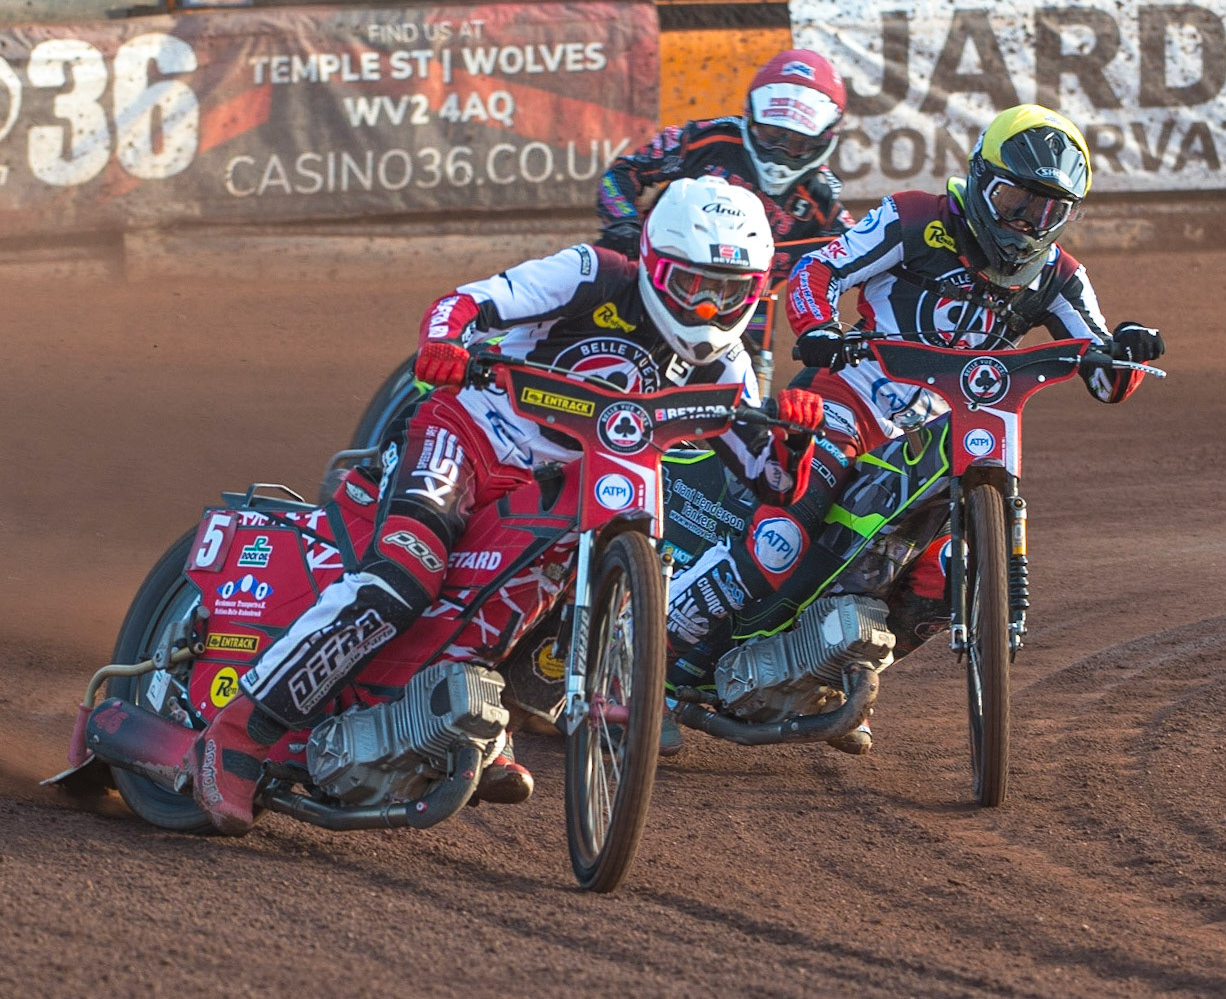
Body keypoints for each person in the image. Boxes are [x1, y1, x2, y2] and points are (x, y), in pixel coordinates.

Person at [186, 176, 824, 834]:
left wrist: (795, 435)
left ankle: (466, 715)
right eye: (694, 285)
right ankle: (239, 733)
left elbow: (772, 481)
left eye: (729, 292)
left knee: (551, 585)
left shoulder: (725, 367)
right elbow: (468, 302)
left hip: (554, 491)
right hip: (465, 439)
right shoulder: (592, 273)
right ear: (658, 266)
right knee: (404, 580)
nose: (709, 308)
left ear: (755, 293)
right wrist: (445, 341)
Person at [659, 104, 1165, 757]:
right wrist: (819, 331)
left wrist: (1125, 349)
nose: (1026, 223)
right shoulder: (914, 218)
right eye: (1016, 200)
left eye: (1049, 211)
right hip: (852, 400)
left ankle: (832, 670)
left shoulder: (1061, 275)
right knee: (793, 523)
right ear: (983, 179)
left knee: (946, 575)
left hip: (948, 437)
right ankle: (660, 670)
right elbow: (819, 272)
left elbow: (1103, 371)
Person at [595, 48, 855, 391]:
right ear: (750, 118)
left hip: (745, 314)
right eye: (771, 136)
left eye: (796, 144)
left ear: (824, 139)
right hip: (656, 280)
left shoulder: (822, 200)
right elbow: (620, 175)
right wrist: (625, 226)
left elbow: (862, 248)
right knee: (602, 344)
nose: (779, 151)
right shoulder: (705, 139)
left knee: (749, 408)